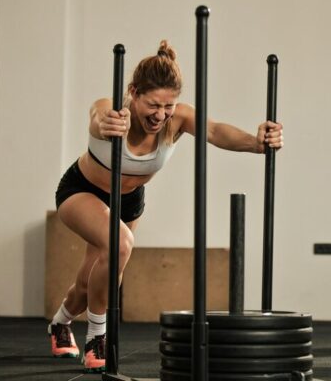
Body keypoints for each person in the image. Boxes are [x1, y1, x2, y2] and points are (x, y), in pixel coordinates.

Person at [48, 40, 284, 372]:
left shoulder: (177, 119)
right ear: (133, 92)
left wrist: (257, 143)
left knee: (91, 281)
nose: (161, 115)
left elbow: (215, 131)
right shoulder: (111, 109)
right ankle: (97, 336)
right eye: (153, 105)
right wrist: (105, 125)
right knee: (120, 244)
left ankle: (60, 323)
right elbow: (97, 118)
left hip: (129, 201)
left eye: (168, 106)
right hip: (82, 190)